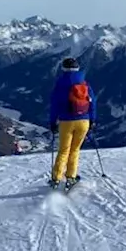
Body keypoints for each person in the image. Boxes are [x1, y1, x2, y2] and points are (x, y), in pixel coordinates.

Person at [48, 57, 96, 187]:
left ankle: (56, 178)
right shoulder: (84, 83)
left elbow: (54, 105)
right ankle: (71, 177)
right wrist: (92, 120)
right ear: (77, 68)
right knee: (75, 150)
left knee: (64, 150)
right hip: (84, 121)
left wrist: (53, 122)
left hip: (66, 122)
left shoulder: (60, 84)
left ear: (63, 68)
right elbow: (92, 102)